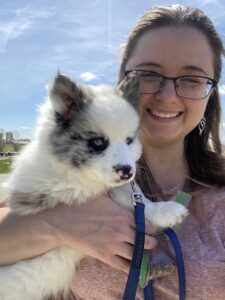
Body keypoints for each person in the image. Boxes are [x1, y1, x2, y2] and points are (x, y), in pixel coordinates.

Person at [0, 4, 225, 299]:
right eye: (148, 74)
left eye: (192, 79)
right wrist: (56, 224)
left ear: (210, 92)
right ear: (123, 80)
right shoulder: (66, 172)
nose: (167, 96)